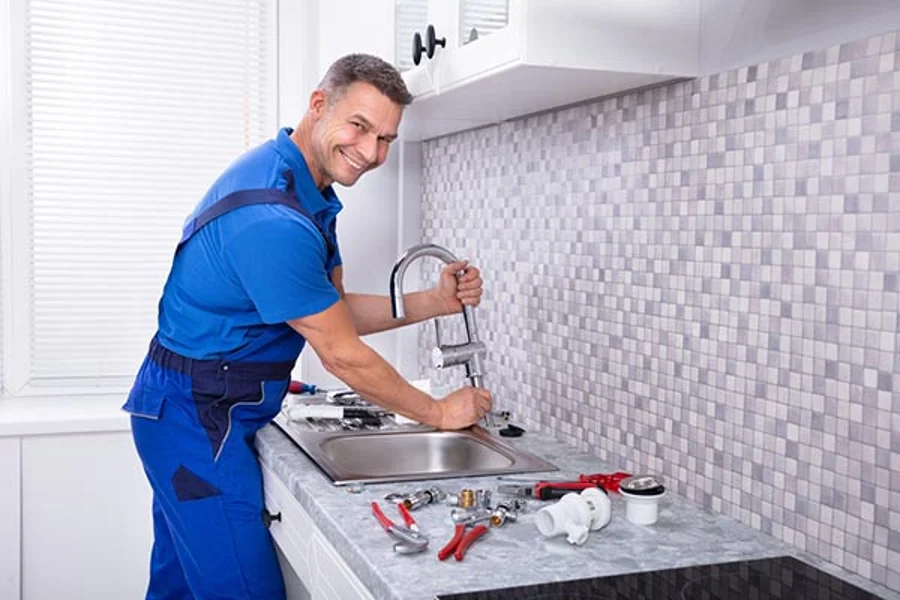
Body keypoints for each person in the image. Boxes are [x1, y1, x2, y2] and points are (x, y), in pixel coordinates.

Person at [123, 53, 493, 600]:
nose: (371, 153)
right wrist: (438, 412)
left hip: (202, 410)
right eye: (359, 127)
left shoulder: (307, 190)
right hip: (195, 422)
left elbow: (331, 309)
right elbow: (340, 353)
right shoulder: (273, 218)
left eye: (386, 139)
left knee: (180, 588)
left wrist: (433, 302)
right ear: (319, 105)